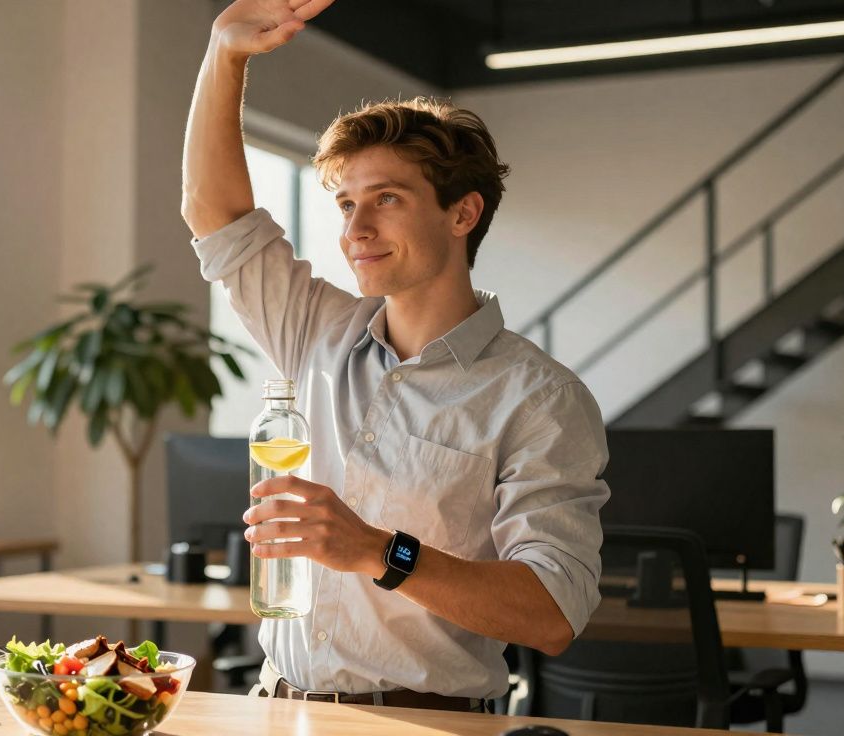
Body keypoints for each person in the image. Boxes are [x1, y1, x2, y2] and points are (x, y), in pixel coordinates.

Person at [181, 0, 610, 713]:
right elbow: (213, 214)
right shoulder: (314, 330)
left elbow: (553, 613)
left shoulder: (538, 398)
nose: (357, 229)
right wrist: (224, 55)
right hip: (280, 710)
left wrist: (381, 552)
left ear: (461, 213)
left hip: (427, 722)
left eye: (386, 199)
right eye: (346, 203)